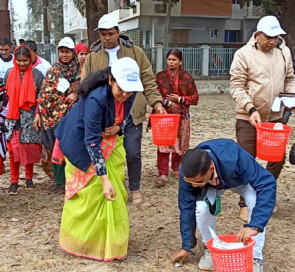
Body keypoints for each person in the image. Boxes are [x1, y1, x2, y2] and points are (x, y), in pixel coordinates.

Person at [55, 57, 143, 261]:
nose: (126, 95)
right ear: (111, 80)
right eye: (122, 89)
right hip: (81, 142)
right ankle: (83, 242)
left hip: (110, 141)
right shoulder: (96, 99)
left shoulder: (130, 91)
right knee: (92, 191)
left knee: (115, 189)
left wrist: (119, 127)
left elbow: (126, 115)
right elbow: (92, 140)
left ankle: (111, 240)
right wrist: (104, 179)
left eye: (130, 90)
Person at [82, 14, 166, 205]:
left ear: (118, 32)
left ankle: (135, 188)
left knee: (133, 152)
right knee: (108, 154)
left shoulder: (136, 53)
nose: (107, 38)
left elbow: (148, 80)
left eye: (110, 33)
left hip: (132, 113)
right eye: (103, 34)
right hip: (105, 117)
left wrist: (156, 103)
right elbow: (85, 85)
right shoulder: (92, 57)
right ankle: (113, 186)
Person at [171, 139, 276, 272]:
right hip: (211, 183)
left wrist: (256, 225)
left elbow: (266, 183)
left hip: (241, 180)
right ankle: (210, 248)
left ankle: (255, 257)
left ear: (210, 169)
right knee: (202, 207)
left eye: (196, 182)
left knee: (254, 199)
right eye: (190, 182)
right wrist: (186, 245)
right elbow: (186, 206)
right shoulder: (188, 172)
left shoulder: (234, 157)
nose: (192, 185)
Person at [230, 15, 295, 222]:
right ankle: (244, 202)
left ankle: (262, 192)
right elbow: (237, 86)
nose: (272, 41)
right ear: (257, 35)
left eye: (276, 37)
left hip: (275, 118)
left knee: (277, 159)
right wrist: (250, 109)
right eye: (268, 37)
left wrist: (291, 99)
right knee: (246, 159)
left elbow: (290, 79)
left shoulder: (283, 53)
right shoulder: (243, 54)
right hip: (248, 118)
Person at [37, 37, 80, 193]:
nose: (64, 55)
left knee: (72, 149)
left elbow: (87, 88)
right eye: (61, 52)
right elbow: (45, 92)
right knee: (57, 148)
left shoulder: (81, 70)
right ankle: (59, 180)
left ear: (73, 52)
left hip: (75, 116)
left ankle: (73, 180)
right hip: (55, 117)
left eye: (67, 51)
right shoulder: (54, 70)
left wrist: (76, 95)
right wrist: (42, 112)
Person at [154, 49, 198, 187]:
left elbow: (195, 98)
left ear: (180, 61)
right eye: (169, 59)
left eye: (174, 60)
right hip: (164, 115)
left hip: (182, 115)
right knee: (164, 143)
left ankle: (178, 169)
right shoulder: (160, 77)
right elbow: (154, 94)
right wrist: (168, 103)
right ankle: (163, 173)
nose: (171, 62)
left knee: (180, 143)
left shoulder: (187, 77)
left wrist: (179, 99)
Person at [4, 45, 44, 194]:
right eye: (19, 60)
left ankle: (29, 178)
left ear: (30, 59)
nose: (22, 63)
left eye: (25, 60)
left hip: (30, 117)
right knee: (13, 149)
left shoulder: (37, 75)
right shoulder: (9, 73)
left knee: (28, 148)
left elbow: (42, 97)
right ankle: (14, 181)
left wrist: (38, 114)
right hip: (12, 117)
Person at [0, 37, 14, 175]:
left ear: (11, 48)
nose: (3, 52)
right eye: (1, 50)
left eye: (6, 49)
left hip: (11, 100)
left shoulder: (16, 61)